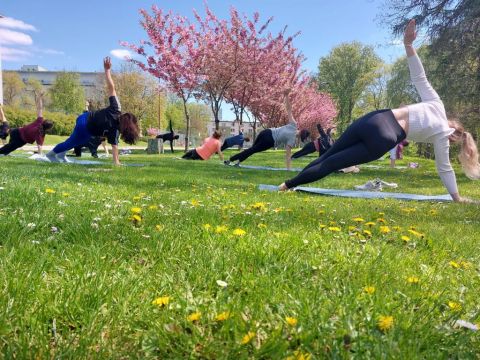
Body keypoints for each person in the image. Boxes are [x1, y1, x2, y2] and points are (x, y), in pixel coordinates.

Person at [279, 19, 480, 203]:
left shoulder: (437, 105)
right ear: (454, 137)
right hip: (384, 137)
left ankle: (288, 184)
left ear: (451, 120)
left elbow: (420, 78)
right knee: (333, 163)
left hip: (376, 119)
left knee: (327, 155)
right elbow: (444, 169)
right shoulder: (442, 137)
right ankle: (287, 185)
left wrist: (408, 45)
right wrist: (456, 197)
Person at [46, 57, 139, 165]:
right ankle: (50, 155)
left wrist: (116, 162)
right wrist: (107, 71)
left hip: (90, 129)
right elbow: (111, 88)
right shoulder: (115, 109)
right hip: (85, 122)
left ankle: (61, 154)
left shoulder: (115, 128)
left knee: (77, 141)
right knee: (73, 141)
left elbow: (114, 147)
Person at [224, 89, 310, 169]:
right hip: (269, 141)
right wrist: (288, 169)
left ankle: (238, 162)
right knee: (252, 150)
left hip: (267, 132)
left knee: (252, 149)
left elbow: (289, 110)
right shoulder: (292, 140)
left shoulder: (293, 125)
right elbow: (288, 155)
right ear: (301, 137)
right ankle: (230, 160)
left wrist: (286, 95)